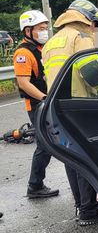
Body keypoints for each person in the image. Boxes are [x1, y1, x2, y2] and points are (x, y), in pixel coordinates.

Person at [43, 0, 98, 226]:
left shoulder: (52, 41)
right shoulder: (81, 38)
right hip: (79, 105)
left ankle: (81, 205)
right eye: (95, 24)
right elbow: (92, 72)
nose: (96, 28)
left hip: (57, 107)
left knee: (72, 158)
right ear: (88, 20)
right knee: (86, 156)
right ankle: (89, 211)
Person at [12, 10, 60, 199]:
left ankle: (36, 184)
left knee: (47, 144)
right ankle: (35, 185)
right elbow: (24, 83)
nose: (45, 32)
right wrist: (44, 99)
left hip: (45, 102)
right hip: (37, 105)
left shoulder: (42, 49)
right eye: (41, 28)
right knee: (45, 145)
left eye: (46, 28)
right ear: (28, 30)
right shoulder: (23, 53)